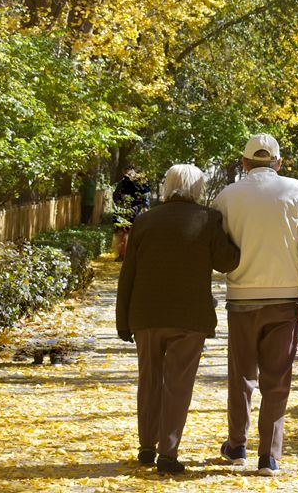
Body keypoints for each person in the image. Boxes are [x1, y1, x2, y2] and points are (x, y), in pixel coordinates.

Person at [212, 133, 298, 477]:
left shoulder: (227, 197)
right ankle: (269, 456)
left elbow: (218, 251)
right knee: (276, 381)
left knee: (241, 377)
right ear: (278, 162)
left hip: (241, 299)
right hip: (284, 301)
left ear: (245, 163)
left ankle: (236, 447)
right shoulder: (297, 192)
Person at [116, 164, 240, 474]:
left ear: (167, 186)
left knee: (149, 380)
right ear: (198, 188)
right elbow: (227, 262)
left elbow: (127, 273)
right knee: (178, 385)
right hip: (189, 318)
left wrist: (122, 321)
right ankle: (168, 453)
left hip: (145, 315)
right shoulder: (208, 219)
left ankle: (147, 446)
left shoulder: (144, 221)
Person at [112, 166, 150, 261]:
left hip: (134, 212)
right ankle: (123, 254)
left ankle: (128, 254)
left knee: (130, 233)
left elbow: (145, 197)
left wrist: (145, 207)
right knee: (123, 233)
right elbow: (115, 196)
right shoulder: (123, 184)